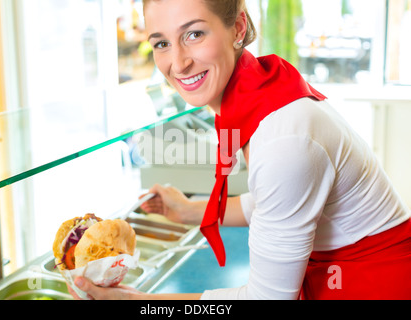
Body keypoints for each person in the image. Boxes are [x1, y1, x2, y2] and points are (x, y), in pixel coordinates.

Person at [69, 0, 411, 300]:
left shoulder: (283, 140)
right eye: (161, 43)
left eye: (194, 34)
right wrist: (190, 211)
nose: (178, 63)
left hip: (375, 285)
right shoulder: (257, 91)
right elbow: (272, 201)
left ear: (238, 27)